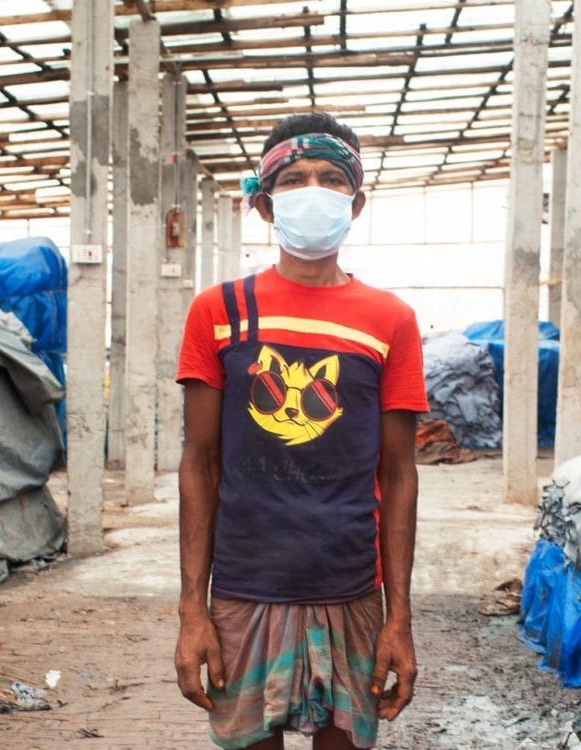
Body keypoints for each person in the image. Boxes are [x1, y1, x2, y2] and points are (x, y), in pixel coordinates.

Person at [174, 112, 428, 750]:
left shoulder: (390, 320)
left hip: (349, 587)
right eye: (293, 179)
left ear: (357, 201)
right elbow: (199, 464)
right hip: (242, 587)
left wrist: (400, 618)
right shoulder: (220, 312)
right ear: (263, 204)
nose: (313, 190)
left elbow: (398, 473)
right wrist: (191, 609)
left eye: (331, 178)